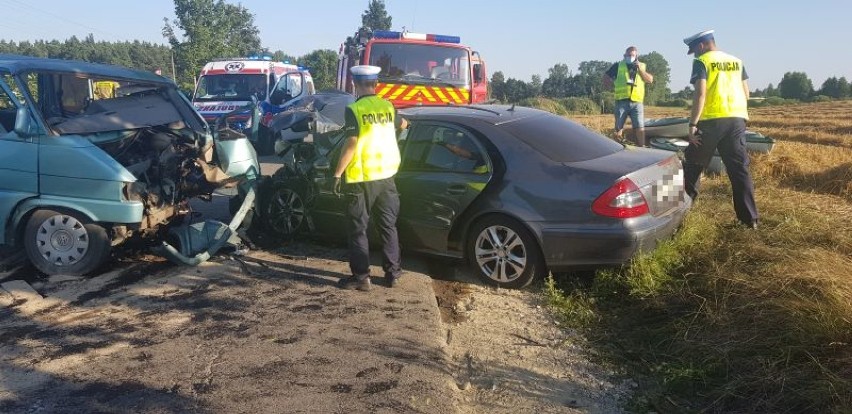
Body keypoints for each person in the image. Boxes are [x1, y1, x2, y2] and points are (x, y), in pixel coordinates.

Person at [333, 65, 408, 291]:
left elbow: (352, 143)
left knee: (358, 228)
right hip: (387, 175)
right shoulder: (387, 106)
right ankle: (393, 274)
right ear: (376, 84)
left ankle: (361, 278)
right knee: (388, 226)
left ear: (355, 84)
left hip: (362, 177)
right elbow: (403, 124)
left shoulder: (354, 110)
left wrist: (337, 173)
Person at [683, 29, 759, 229]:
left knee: (691, 165)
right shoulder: (736, 61)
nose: (695, 55)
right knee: (739, 170)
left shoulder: (702, 62)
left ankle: (681, 215)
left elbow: (700, 94)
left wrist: (692, 125)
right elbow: (746, 93)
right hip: (737, 120)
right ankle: (749, 220)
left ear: (701, 45)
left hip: (711, 122)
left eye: (695, 50)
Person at [603, 46, 654, 146]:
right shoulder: (618, 66)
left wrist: (640, 70)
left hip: (637, 102)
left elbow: (650, 80)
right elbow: (605, 76)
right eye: (628, 55)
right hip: (622, 101)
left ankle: (642, 147)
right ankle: (617, 146)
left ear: (636, 56)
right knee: (618, 127)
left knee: (640, 127)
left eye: (632, 55)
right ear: (624, 55)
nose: (630, 57)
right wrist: (609, 85)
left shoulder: (642, 66)